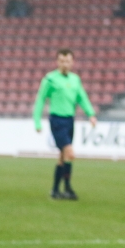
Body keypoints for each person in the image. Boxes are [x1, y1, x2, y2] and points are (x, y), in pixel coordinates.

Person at [33, 49, 96, 200]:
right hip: (57, 120)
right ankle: (67, 187)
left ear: (72, 62)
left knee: (62, 157)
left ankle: (55, 190)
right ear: (57, 62)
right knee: (70, 153)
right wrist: (37, 121)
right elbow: (41, 99)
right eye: (61, 61)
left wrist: (91, 114)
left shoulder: (75, 79)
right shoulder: (50, 79)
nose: (65, 64)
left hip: (69, 120)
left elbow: (82, 97)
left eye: (67, 61)